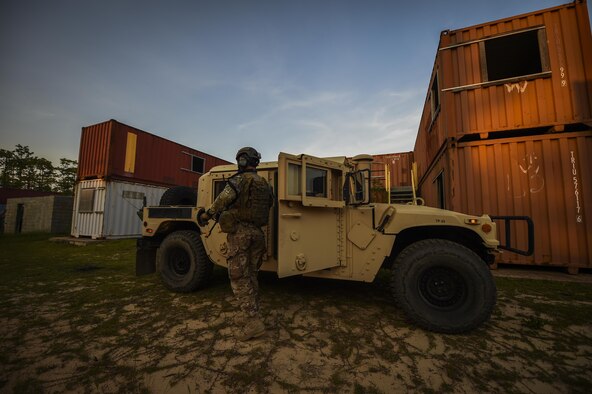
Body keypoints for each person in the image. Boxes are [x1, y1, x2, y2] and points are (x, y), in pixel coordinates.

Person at [198, 147, 273, 340]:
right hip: (257, 234)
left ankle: (253, 322)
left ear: (242, 161)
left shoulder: (239, 180)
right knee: (251, 275)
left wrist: (207, 214)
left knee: (239, 277)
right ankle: (252, 313)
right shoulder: (264, 183)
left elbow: (222, 200)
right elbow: (269, 204)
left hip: (241, 233)